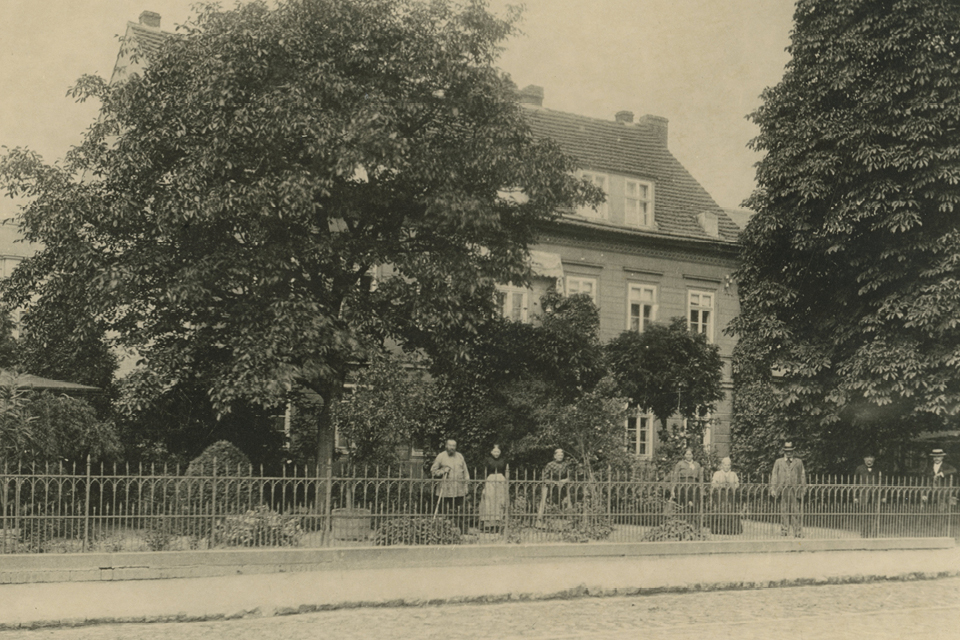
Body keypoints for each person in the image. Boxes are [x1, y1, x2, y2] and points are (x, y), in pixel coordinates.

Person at [430, 439, 470, 531]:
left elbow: (465, 472)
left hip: (459, 488)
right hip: (445, 489)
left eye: (454, 446)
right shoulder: (441, 456)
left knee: (460, 510)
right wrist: (443, 471)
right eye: (450, 445)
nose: (452, 448)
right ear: (446, 446)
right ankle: (444, 529)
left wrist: (466, 485)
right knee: (444, 510)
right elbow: (433, 471)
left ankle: (462, 529)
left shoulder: (460, 456)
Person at [769, 441, 806, 538]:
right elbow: (774, 475)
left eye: (790, 451)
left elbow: (802, 476)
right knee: (784, 510)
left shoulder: (798, 462)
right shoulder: (778, 462)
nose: (789, 453)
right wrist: (773, 488)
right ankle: (784, 530)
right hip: (783, 488)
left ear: (793, 451)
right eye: (787, 451)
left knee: (795, 510)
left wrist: (803, 488)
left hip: (795, 489)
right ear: (784, 451)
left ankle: (797, 531)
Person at [536, 448, 571, 527]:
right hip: (549, 485)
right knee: (544, 501)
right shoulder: (550, 465)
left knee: (567, 501)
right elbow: (544, 478)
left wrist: (565, 480)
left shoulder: (566, 465)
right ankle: (539, 521)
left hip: (562, 485)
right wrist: (553, 482)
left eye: (562, 455)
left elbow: (570, 477)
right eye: (558, 455)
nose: (560, 456)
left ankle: (568, 521)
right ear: (554, 456)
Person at [477, 444, 508, 532]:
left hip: (501, 481)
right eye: (494, 451)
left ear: (500, 452)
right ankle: (488, 524)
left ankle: (498, 524)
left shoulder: (503, 461)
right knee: (489, 501)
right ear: (491, 452)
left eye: (498, 451)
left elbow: (506, 472)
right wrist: (484, 486)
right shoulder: (488, 460)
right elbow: (484, 472)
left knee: (499, 501)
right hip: (490, 480)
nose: (496, 453)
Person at [710, 456, 742, 535]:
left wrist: (734, 486)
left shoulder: (733, 474)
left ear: (730, 466)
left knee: (731, 510)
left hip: (731, 494)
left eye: (728, 465)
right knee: (720, 510)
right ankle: (719, 530)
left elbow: (737, 483)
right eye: (725, 465)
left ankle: (732, 530)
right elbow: (713, 484)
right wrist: (720, 486)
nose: (726, 467)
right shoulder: (717, 473)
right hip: (721, 494)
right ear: (722, 465)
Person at [670, 448, 703, 521]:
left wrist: (701, 486)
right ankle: (681, 521)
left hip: (694, 486)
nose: (688, 456)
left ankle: (692, 521)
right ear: (684, 455)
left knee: (694, 504)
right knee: (683, 504)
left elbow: (700, 476)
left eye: (690, 454)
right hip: (682, 486)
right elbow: (675, 476)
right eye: (687, 454)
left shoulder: (697, 464)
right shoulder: (680, 464)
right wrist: (673, 488)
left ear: (693, 455)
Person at [853, 454, 881, 538]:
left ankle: (874, 534)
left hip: (875, 496)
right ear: (864, 459)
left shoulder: (877, 469)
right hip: (863, 496)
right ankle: (864, 534)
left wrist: (883, 496)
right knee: (864, 516)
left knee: (874, 515)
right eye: (867, 458)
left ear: (874, 459)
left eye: (871, 458)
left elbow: (882, 483)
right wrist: (855, 496)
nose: (869, 460)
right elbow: (855, 483)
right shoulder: (859, 468)